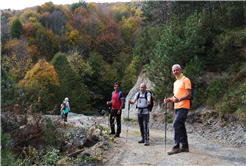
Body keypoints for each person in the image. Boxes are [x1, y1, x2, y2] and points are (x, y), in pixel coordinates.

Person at [164, 64, 191, 155]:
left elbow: (189, 94)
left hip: (184, 106)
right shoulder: (175, 83)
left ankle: (176, 147)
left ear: (180, 69)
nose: (175, 72)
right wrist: (169, 100)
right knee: (181, 126)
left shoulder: (185, 79)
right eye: (174, 70)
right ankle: (185, 146)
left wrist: (179, 100)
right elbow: (175, 96)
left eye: (176, 70)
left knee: (176, 124)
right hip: (177, 107)